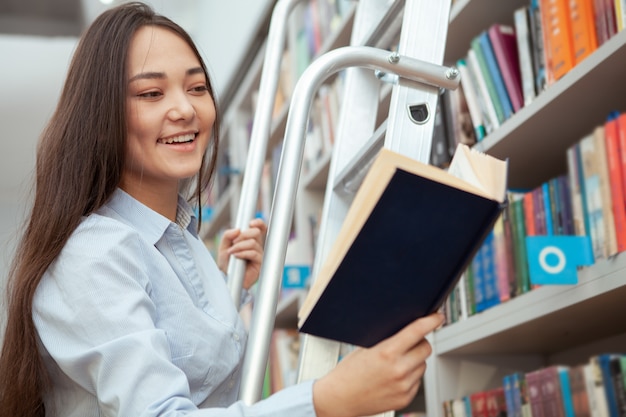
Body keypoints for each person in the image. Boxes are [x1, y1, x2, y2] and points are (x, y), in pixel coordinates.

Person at [0, 2, 443, 417]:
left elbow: (201, 378)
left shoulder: (182, 242)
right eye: (151, 93)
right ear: (102, 114)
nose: (185, 109)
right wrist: (323, 401)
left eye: (197, 88)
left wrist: (234, 289)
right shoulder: (94, 254)